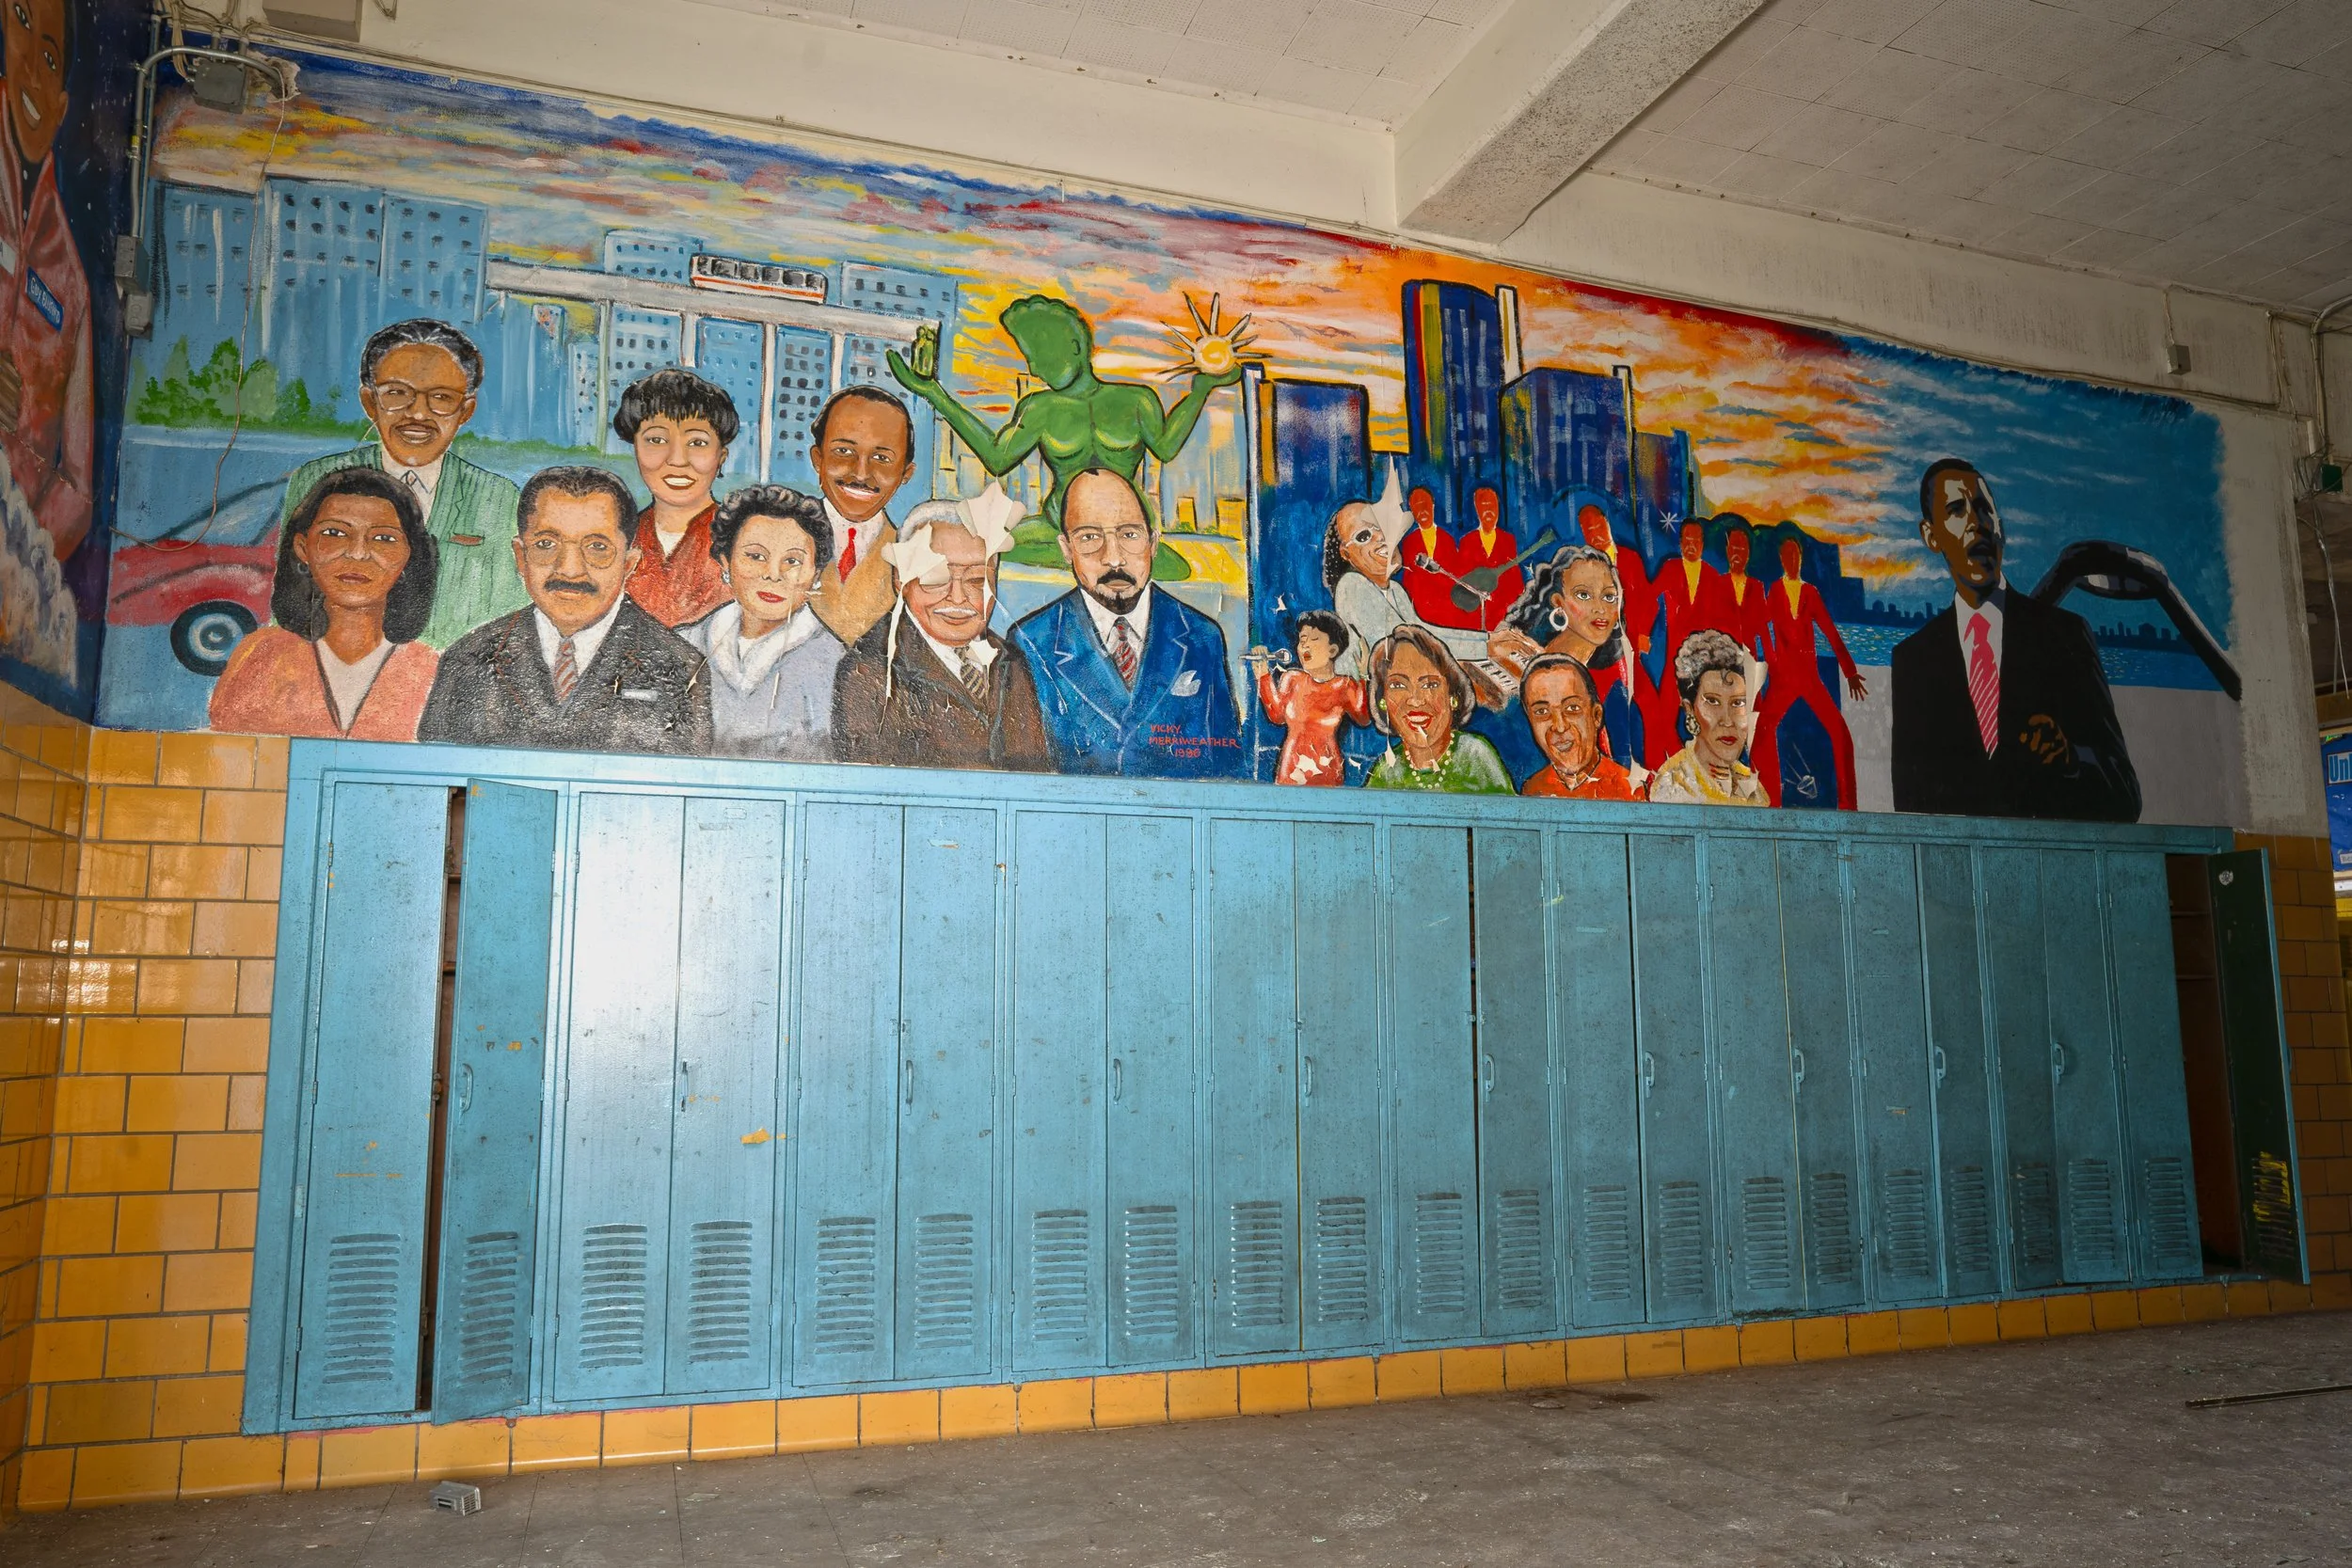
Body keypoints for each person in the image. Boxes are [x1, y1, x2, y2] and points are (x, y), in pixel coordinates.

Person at [1891, 459, 2139, 821]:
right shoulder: (1914, 660)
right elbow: (1912, 805)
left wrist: (2070, 757)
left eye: (1984, 509)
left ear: (2001, 529)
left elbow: (2126, 796)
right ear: (1931, 535)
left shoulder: (2065, 636)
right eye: (1957, 510)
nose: (1976, 524)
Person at [419, 466, 712, 754]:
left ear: (629, 563)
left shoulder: (680, 667)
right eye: (546, 544)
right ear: (521, 557)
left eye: (597, 547)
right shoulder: (468, 659)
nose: (570, 570)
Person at [277, 320, 527, 649]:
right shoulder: (317, 480)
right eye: (397, 394)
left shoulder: (498, 497)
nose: (418, 414)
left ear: (466, 410)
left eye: (441, 397)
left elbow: (509, 620)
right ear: (369, 402)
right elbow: (293, 600)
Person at [1010, 467, 1242, 779]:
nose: (1114, 558)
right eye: (1089, 537)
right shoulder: (1031, 642)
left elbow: (1229, 767)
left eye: (1129, 535)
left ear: (1153, 543)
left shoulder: (1202, 637)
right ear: (1066, 549)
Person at [208, 468, 439, 740]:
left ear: (408, 556)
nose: (358, 553)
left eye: (383, 538)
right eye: (335, 533)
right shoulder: (261, 657)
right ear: (303, 548)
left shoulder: (430, 668)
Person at [833, 488, 1053, 771]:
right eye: (936, 578)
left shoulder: (1009, 661)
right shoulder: (868, 670)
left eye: (975, 580)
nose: (958, 597)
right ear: (901, 579)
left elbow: (1034, 774)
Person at [0, 0, 91, 561]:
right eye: (23, 24)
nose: (33, 63)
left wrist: (18, 552)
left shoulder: (71, 282)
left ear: (61, 107)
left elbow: (79, 491)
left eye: (51, 56)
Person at [676, 484, 843, 761]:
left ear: (816, 574)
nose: (773, 575)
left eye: (792, 561)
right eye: (755, 556)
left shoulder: (837, 663)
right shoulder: (683, 644)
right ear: (725, 562)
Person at [1753, 531, 1866, 809]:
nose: (1792, 560)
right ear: (1781, 559)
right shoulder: (1775, 591)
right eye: (1787, 555)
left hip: (1808, 677)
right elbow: (1762, 627)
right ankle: (1770, 803)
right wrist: (1772, 660)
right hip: (1783, 680)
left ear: (1800, 559)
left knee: (1840, 733)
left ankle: (1848, 805)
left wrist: (1850, 671)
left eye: (1796, 555)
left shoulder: (1810, 592)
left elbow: (1830, 632)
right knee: (1761, 735)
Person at [614, 368, 736, 627]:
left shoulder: (744, 541)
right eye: (656, 439)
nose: (677, 460)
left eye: (697, 443)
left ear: (721, 457)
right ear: (635, 448)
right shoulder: (618, 538)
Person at [808, 386, 917, 647]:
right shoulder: (776, 537)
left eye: (882, 458)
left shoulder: (913, 559)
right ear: (818, 460)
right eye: (844, 452)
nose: (860, 473)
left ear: (906, 473)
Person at [1361, 624, 1513, 793]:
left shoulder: (1475, 756)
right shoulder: (1387, 771)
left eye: (1430, 684)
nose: (1416, 700)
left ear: (1453, 697)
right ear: (1383, 701)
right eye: (1398, 685)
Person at [1645, 517, 1731, 767]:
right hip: (1675, 663)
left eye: (1696, 541)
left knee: (1707, 721)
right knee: (1661, 716)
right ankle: (1658, 769)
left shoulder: (1713, 577)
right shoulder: (1671, 569)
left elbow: (1722, 624)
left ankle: (1695, 767)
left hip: (1704, 667)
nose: (1691, 545)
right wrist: (1642, 633)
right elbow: (1650, 598)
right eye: (1687, 540)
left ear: (1702, 544)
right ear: (1680, 542)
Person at [1646, 628, 1768, 806]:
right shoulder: (1673, 783)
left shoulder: (1752, 786)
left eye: (1737, 703)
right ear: (1690, 709)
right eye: (1712, 701)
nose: (1727, 720)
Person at [1249, 610, 1370, 786]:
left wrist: (1364, 675)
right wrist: (1263, 675)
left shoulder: (1344, 686)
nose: (1304, 646)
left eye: (1313, 640)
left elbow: (1363, 718)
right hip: (1290, 771)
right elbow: (1276, 715)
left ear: (1333, 650)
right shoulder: (1292, 678)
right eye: (1301, 640)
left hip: (1328, 772)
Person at [1518, 654, 1638, 800]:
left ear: (1596, 716)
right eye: (1542, 712)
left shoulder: (1628, 789)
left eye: (1572, 708)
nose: (1560, 727)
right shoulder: (1533, 790)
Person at [1324, 499, 1415, 678]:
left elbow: (1422, 631)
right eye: (1364, 536)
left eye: (1382, 526)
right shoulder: (1351, 586)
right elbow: (1405, 643)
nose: (1381, 536)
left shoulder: (1396, 590)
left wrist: (1484, 642)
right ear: (1346, 554)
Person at [1447, 485, 1525, 632]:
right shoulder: (1467, 541)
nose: (1489, 510)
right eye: (1483, 506)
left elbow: (1515, 581)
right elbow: (1461, 579)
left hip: (1502, 615)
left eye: (1492, 505)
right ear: (1477, 510)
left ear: (1498, 508)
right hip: (1474, 617)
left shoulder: (1507, 540)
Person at [1397, 484, 1462, 627]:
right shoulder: (1408, 543)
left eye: (1425, 505)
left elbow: (1455, 574)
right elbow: (1408, 581)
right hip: (1421, 612)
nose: (1422, 511)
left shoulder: (1447, 540)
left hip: (1447, 610)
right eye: (1416, 507)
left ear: (1432, 505)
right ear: (1412, 511)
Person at [1717, 519, 1767, 654]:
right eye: (1734, 548)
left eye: (1742, 549)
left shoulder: (1757, 587)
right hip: (1723, 658)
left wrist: (1772, 662)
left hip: (1749, 657)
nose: (1737, 554)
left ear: (1748, 554)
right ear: (1727, 551)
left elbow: (1763, 630)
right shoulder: (1716, 585)